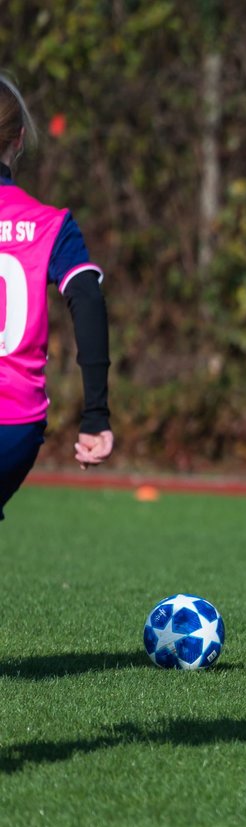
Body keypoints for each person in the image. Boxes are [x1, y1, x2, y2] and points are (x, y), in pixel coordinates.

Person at [0, 73, 113, 523]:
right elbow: (87, 300)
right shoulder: (50, 224)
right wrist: (95, 415)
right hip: (16, 427)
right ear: (19, 141)